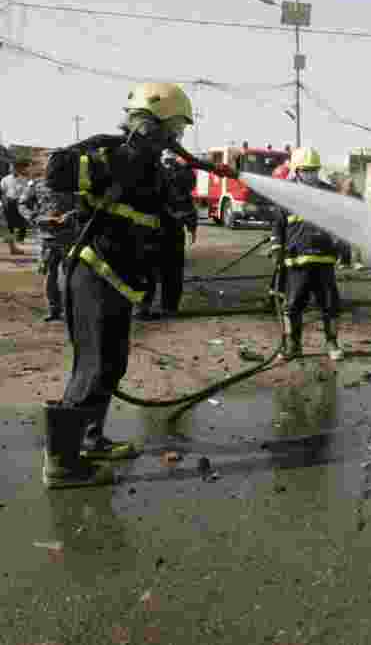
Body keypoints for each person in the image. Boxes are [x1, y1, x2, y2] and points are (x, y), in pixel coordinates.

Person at [43, 82, 235, 489]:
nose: (178, 139)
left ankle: (91, 440)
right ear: (151, 126)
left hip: (119, 283)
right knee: (92, 369)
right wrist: (120, 158)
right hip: (93, 276)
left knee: (112, 364)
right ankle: (61, 463)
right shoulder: (112, 150)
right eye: (174, 130)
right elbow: (55, 170)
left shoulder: (153, 170)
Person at [268, 147, 350, 361]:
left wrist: (342, 244)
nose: (311, 175)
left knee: (330, 304)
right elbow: (278, 224)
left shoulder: (328, 192)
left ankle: (332, 343)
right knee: (293, 305)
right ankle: (293, 346)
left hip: (324, 259)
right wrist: (277, 245)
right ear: (296, 170)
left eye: (314, 170)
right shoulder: (285, 193)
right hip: (297, 260)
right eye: (307, 170)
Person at [136, 152, 198, 320]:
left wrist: (191, 224)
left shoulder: (177, 180)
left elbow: (188, 204)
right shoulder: (154, 178)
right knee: (151, 272)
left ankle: (161, 308)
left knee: (167, 272)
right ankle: (149, 307)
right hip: (155, 232)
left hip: (166, 233)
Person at [17, 172, 81, 322]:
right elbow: (22, 204)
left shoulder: (76, 180)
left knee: (70, 274)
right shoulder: (36, 184)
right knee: (50, 274)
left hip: (70, 236)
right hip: (47, 237)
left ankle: (73, 310)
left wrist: (72, 214)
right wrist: (36, 218)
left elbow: (88, 204)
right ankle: (54, 310)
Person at [0, 151, 31, 254]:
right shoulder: (5, 179)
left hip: (19, 202)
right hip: (8, 203)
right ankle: (13, 247)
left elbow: (26, 191)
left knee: (20, 223)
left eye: (13, 167)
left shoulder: (24, 179)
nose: (12, 169)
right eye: (11, 167)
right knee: (7, 226)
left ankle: (15, 244)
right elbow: (2, 191)